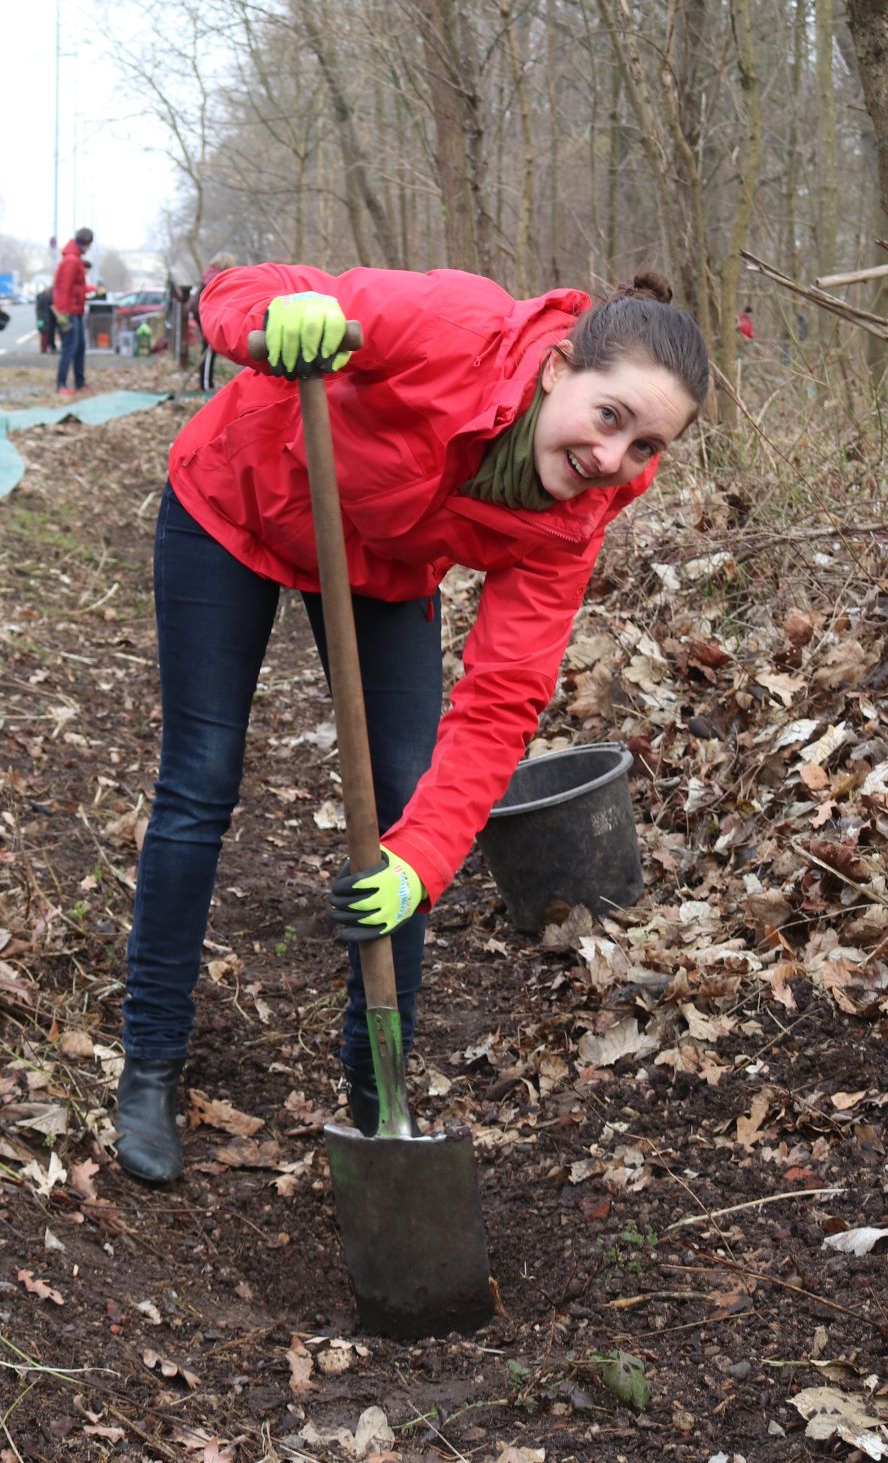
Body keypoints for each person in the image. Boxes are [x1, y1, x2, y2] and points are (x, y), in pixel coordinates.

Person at [114, 261, 709, 1183]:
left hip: (379, 567)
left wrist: (425, 861)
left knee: (405, 813)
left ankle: (377, 1095)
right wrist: (275, 320)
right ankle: (150, 1063)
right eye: (610, 416)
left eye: (645, 447)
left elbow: (505, 698)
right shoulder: (452, 326)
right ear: (559, 368)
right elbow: (243, 286)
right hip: (237, 502)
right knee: (201, 780)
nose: (613, 458)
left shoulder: (572, 522)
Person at [52, 227, 95, 396]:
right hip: (70, 311)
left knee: (79, 347)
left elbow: (75, 287)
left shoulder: (74, 258)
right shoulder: (72, 260)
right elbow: (64, 288)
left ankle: (80, 382)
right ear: (87, 242)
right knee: (70, 348)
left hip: (75, 309)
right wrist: (63, 314)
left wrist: (87, 290)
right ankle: (61, 383)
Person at [190, 250, 237, 391]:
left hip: (202, 312)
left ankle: (206, 382)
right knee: (209, 348)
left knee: (210, 348)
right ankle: (205, 384)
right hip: (204, 313)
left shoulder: (210, 274)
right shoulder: (216, 278)